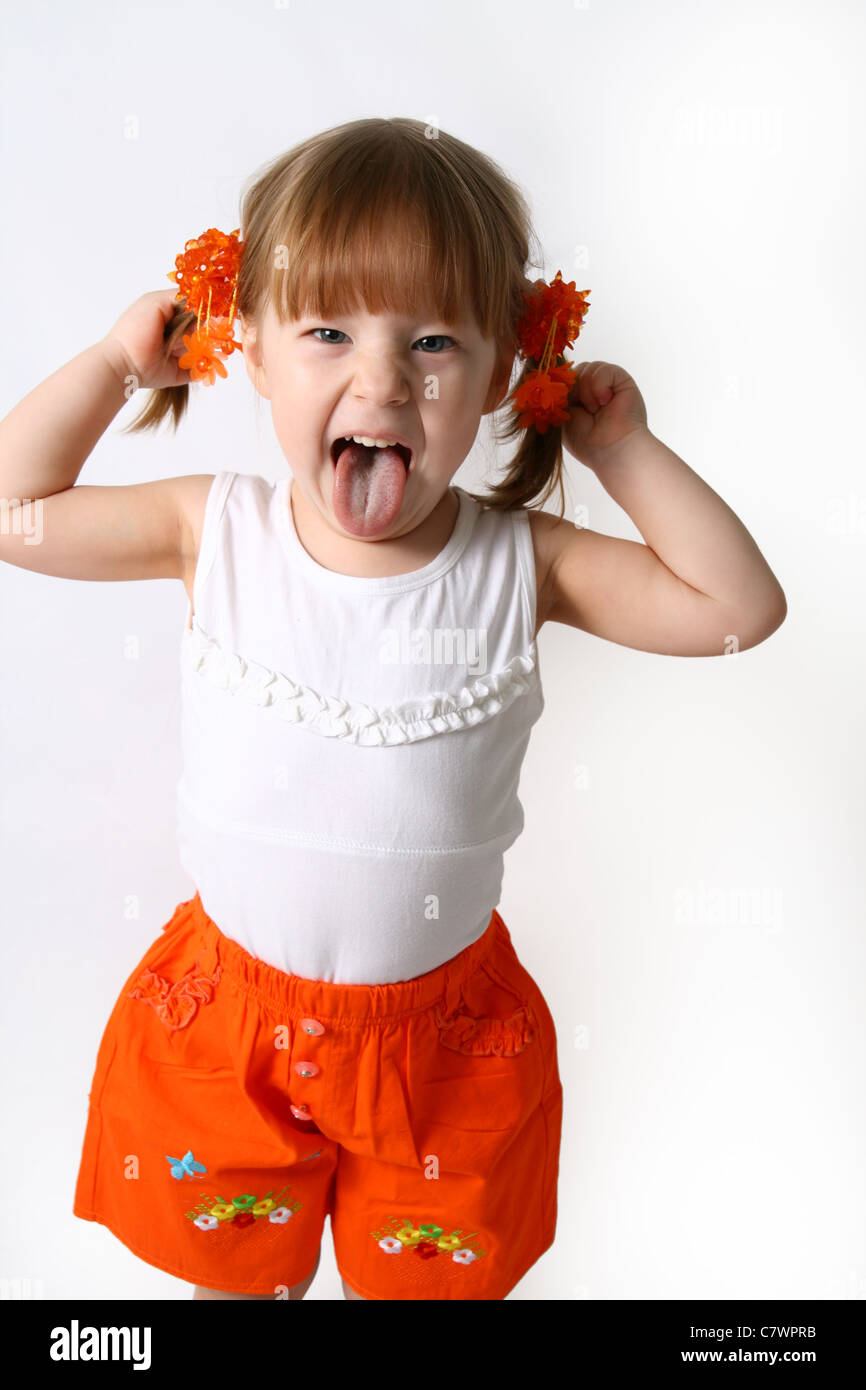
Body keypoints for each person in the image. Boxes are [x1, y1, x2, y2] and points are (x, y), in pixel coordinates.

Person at [0, 117, 786, 1302]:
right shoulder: (210, 528)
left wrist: (621, 449)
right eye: (326, 331)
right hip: (229, 1024)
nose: (378, 380)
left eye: (428, 340)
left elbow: (736, 608)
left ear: (499, 373)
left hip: (443, 1051)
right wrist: (119, 362)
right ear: (247, 347)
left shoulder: (525, 561)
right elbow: (14, 509)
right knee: (235, 1284)